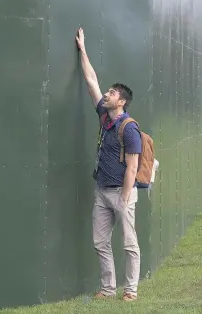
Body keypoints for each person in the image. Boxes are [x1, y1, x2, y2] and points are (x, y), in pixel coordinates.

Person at [75, 27, 141, 302]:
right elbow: (91, 80)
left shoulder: (129, 128)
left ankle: (131, 291)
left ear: (121, 101)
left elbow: (133, 167)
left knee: (129, 244)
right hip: (102, 191)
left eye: (112, 93)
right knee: (100, 242)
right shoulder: (104, 115)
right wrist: (83, 49)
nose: (107, 94)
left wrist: (124, 198)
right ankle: (107, 288)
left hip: (121, 193)